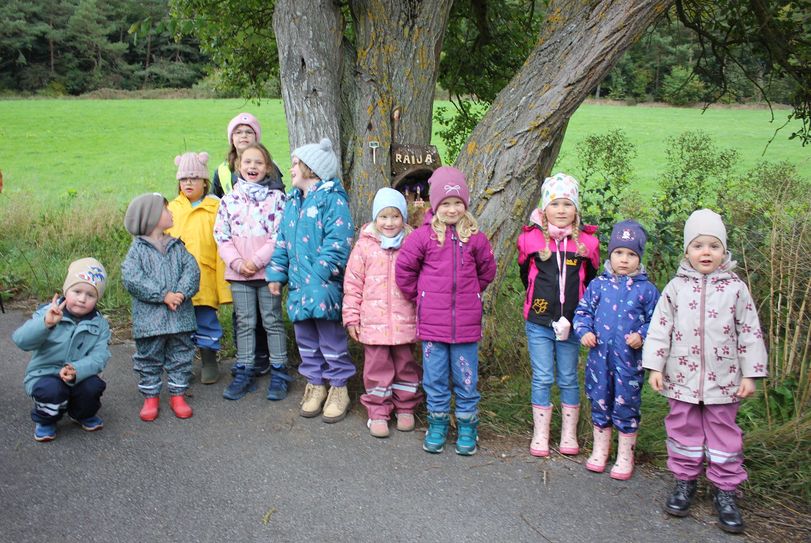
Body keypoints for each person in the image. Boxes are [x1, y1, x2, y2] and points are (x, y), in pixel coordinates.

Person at [642, 209, 767, 534]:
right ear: (687, 251)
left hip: (724, 382)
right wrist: (655, 365)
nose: (706, 252)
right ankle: (685, 482)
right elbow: (660, 328)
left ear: (724, 251)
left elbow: (749, 332)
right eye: (699, 246)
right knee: (683, 430)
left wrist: (750, 374)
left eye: (714, 246)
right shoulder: (675, 289)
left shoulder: (736, 289)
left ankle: (725, 490)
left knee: (724, 435)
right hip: (680, 378)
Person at [395, 166, 497, 455]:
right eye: (445, 203)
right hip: (432, 326)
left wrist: (473, 294)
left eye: (457, 203)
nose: (452, 209)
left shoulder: (475, 237)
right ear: (435, 204)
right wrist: (420, 297)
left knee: (466, 378)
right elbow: (404, 270)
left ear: (465, 204)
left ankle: (467, 426)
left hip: (465, 326)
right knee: (435, 377)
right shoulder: (422, 237)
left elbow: (487, 270)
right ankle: (437, 423)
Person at [267, 138, 355, 423]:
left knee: (330, 340)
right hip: (298, 287)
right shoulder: (292, 203)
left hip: (323, 286)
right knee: (306, 340)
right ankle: (315, 384)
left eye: (295, 164)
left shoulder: (332, 200)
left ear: (311, 169)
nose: (291, 168)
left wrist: (319, 274)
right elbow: (282, 242)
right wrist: (277, 274)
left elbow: (338, 242)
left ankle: (339, 387)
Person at [516, 173, 600, 458]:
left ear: (576, 209)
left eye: (567, 204)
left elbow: (591, 280)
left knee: (567, 377)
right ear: (544, 208)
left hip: (573, 324)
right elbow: (525, 277)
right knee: (542, 377)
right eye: (555, 204)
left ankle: (569, 433)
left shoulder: (587, 243)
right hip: (539, 321)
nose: (561, 210)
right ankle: (541, 433)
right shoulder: (531, 240)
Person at [573, 220, 660, 479]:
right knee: (599, 401)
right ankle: (600, 450)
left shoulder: (647, 290)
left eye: (631, 254)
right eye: (619, 253)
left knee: (626, 405)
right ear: (610, 254)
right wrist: (585, 331)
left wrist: (642, 335)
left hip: (628, 362)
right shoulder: (598, 285)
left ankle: (625, 455)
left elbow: (658, 321)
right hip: (599, 359)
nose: (624, 260)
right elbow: (582, 311)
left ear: (639, 257)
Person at [343, 187, 421, 438]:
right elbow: (353, 285)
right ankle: (378, 410)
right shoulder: (364, 247)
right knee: (377, 369)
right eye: (384, 217)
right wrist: (352, 318)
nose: (389, 223)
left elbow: (423, 283)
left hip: (405, 322)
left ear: (404, 218)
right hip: (373, 323)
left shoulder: (413, 244)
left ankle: (406, 407)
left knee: (406, 366)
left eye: (395, 216)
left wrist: (423, 317)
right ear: (375, 218)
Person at [214, 142, 289, 401]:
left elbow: (279, 235)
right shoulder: (229, 201)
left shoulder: (277, 199)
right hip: (239, 276)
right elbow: (222, 237)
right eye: (247, 162)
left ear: (267, 168)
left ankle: (279, 370)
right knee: (245, 322)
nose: (252, 167)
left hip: (267, 273)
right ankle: (244, 369)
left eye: (258, 162)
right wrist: (237, 263)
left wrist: (256, 261)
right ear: (238, 166)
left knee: (272, 320)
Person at [122, 193, 201, 421]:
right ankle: (151, 396)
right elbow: (132, 278)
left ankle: (178, 393)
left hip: (180, 318)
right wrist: (163, 295)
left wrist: (181, 293)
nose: (171, 213)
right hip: (150, 321)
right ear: (152, 217)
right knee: (148, 357)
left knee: (181, 354)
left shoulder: (177, 246)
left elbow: (191, 270)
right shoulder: (137, 251)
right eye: (166, 210)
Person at [12, 258, 110, 442]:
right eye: (77, 291)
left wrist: (77, 370)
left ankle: (80, 413)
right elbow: (21, 340)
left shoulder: (100, 324)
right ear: (66, 290)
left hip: (78, 374)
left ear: (98, 299)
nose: (82, 299)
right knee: (51, 390)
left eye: (90, 295)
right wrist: (45, 324)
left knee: (93, 386)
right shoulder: (48, 313)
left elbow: (100, 356)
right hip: (44, 374)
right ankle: (46, 419)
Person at [167, 151, 232, 385]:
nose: (188, 183)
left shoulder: (215, 208)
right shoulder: (171, 208)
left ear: (204, 181)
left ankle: (208, 360)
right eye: (184, 179)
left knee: (205, 321)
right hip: (176, 281)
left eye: (194, 178)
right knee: (180, 325)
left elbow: (221, 250)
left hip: (205, 277)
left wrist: (223, 288)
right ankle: (182, 363)